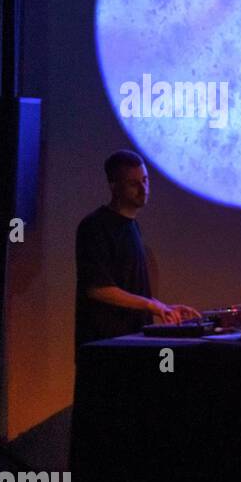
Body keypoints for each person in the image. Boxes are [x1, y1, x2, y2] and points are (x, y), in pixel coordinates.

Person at [74, 150, 199, 356]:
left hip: (132, 342)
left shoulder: (132, 227)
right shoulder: (94, 226)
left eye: (145, 180)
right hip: (105, 347)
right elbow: (97, 288)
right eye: (134, 184)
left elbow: (128, 288)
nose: (144, 189)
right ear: (114, 186)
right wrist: (151, 305)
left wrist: (163, 307)